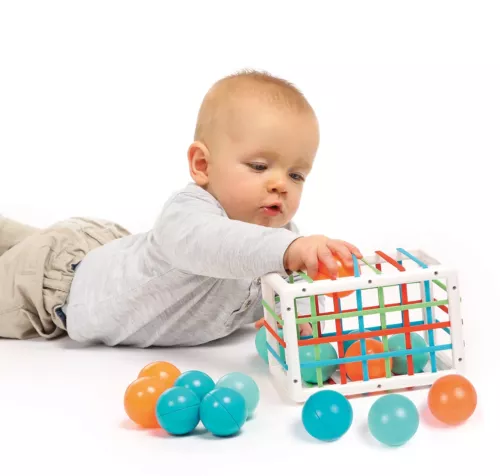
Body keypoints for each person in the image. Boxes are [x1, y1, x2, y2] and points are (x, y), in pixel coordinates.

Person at [0, 69, 362, 347]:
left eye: (297, 175)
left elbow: (281, 298)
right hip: (54, 286)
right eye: (258, 166)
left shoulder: (280, 240)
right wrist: (290, 251)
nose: (280, 184)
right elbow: (218, 245)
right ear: (202, 166)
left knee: (21, 241)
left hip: (106, 251)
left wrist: (306, 320)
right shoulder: (189, 216)